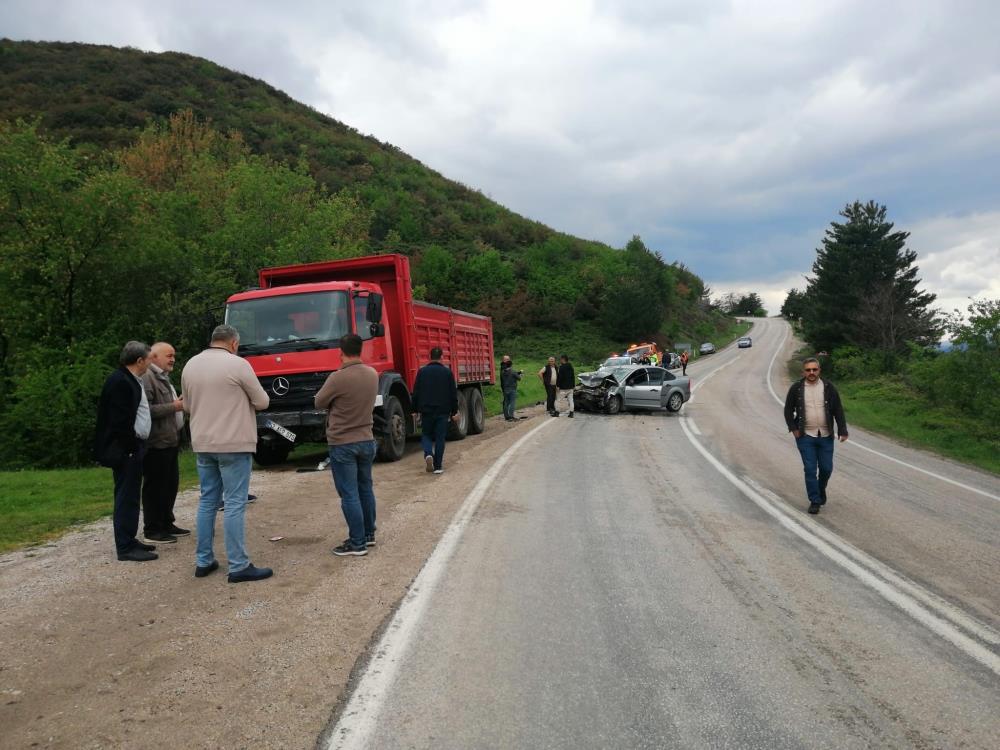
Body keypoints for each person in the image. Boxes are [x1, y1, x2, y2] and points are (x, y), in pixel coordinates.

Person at [182, 325, 272, 583]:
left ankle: (204, 560)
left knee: (208, 500)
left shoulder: (190, 365)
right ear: (234, 343)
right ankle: (238, 564)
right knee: (234, 502)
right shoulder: (238, 365)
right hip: (233, 442)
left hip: (203, 442)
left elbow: (187, 405)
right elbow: (262, 401)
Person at [314, 333, 379, 556]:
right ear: (361, 350)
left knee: (349, 493)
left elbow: (319, 401)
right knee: (365, 488)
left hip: (342, 442)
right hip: (366, 438)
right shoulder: (372, 374)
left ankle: (357, 542)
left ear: (340, 352)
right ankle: (369, 534)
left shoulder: (337, 378)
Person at [95, 341, 157, 562]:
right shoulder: (121, 381)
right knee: (126, 496)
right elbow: (120, 421)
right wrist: (131, 447)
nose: (151, 362)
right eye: (149, 359)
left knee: (131, 495)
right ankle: (125, 546)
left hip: (132, 447)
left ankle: (130, 539)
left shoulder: (130, 379)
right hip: (126, 450)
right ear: (139, 360)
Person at [783, 357, 848, 515]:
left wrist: (842, 429)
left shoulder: (829, 387)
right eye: (808, 370)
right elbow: (788, 410)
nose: (811, 372)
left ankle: (820, 489)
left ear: (819, 370)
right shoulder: (796, 388)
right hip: (805, 436)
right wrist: (794, 429)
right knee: (810, 469)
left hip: (826, 436)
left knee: (826, 468)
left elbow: (838, 409)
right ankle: (815, 500)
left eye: (814, 369)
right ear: (803, 371)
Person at [140, 342, 188, 544]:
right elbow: (147, 410)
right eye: (169, 355)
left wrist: (176, 402)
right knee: (155, 487)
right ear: (155, 357)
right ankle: (153, 528)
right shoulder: (148, 377)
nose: (172, 359)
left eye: (174, 355)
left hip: (169, 440)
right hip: (156, 442)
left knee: (170, 485)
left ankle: (167, 522)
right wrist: (175, 406)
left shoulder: (163, 377)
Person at [412, 347, 459, 474]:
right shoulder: (447, 372)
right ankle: (438, 466)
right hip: (443, 411)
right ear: (442, 357)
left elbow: (416, 392)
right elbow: (453, 394)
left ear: (429, 357)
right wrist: (454, 412)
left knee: (426, 434)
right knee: (440, 437)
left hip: (426, 410)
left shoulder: (422, 372)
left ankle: (428, 454)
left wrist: (414, 410)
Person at [499, 354, 522, 421]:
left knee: (506, 402)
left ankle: (507, 416)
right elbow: (519, 378)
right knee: (512, 402)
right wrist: (519, 374)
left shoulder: (502, 371)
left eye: (508, 359)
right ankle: (511, 416)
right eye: (506, 359)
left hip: (505, 388)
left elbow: (507, 375)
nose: (507, 361)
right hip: (512, 388)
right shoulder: (512, 371)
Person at [556, 354, 575, 418]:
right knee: (571, 400)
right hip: (570, 387)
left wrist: (558, 385)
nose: (560, 360)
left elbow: (559, 377)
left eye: (561, 359)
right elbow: (573, 376)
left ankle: (557, 412)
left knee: (559, 400)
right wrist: (573, 385)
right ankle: (571, 413)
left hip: (563, 388)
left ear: (563, 359)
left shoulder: (561, 367)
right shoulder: (571, 366)